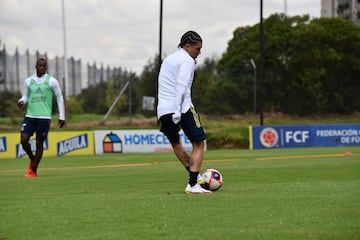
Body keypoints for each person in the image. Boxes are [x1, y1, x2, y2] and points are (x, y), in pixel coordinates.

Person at [157, 31, 211, 194]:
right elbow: (181, 85)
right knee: (199, 143)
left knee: (176, 143)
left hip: (163, 110)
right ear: (187, 46)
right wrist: (179, 111)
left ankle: (195, 177)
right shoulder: (186, 60)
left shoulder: (170, 59)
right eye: (197, 49)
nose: (199, 53)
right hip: (182, 107)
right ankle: (193, 184)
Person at [17, 58, 66, 178]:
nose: (42, 68)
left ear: (46, 67)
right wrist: (21, 101)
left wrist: (62, 116)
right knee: (23, 140)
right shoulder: (29, 81)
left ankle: (33, 170)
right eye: (40, 66)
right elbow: (26, 96)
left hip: (44, 118)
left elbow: (59, 97)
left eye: (44, 66)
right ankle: (33, 159)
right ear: (36, 66)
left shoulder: (52, 81)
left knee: (39, 143)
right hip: (30, 116)